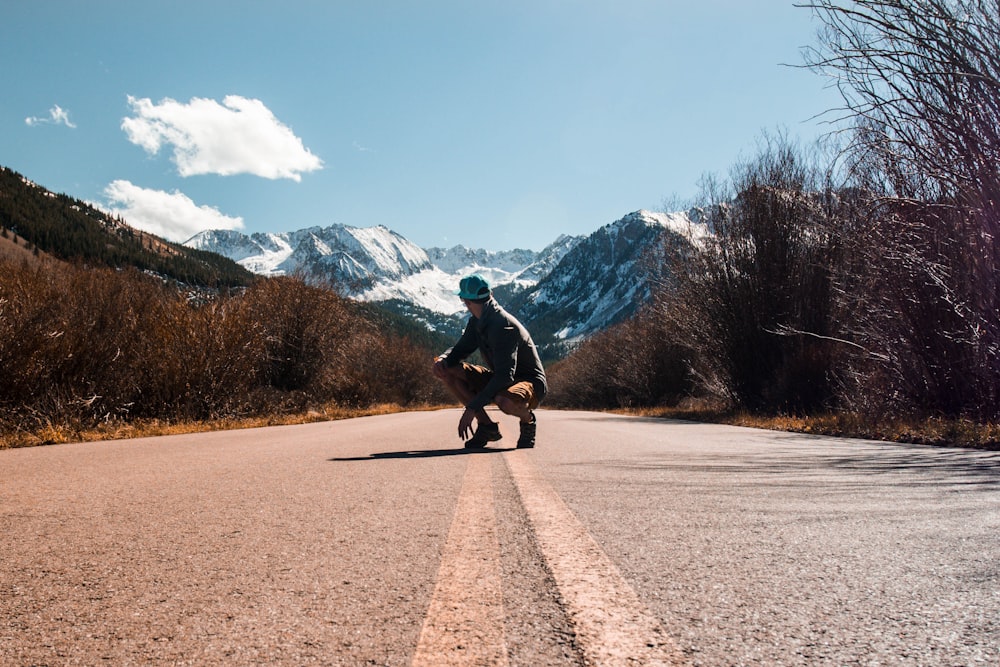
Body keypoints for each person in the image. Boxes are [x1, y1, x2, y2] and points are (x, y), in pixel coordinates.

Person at [433, 273, 547, 449]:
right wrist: (443, 360)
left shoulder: (503, 326)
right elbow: (460, 350)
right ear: (490, 295)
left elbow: (504, 376)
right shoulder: (477, 322)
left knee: (505, 401)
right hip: (502, 379)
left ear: (466, 302)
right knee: (448, 370)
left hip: (530, 384)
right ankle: (487, 427)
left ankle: (528, 421)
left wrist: (471, 409)